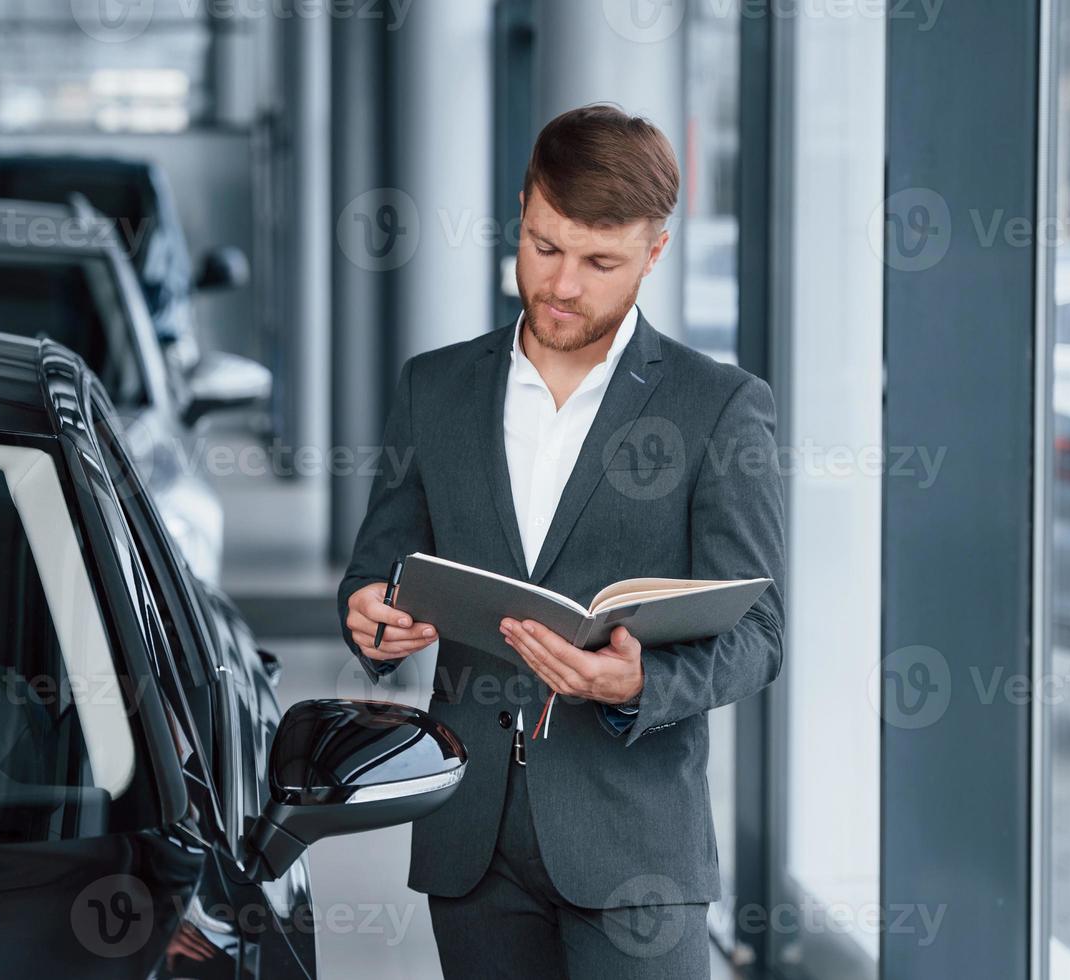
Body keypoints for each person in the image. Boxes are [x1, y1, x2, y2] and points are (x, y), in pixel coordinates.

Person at [337, 103, 786, 980]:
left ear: (654, 253)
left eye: (599, 261)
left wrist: (640, 682)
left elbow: (759, 636)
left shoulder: (718, 407)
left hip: (635, 850)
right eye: (543, 246)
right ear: (522, 211)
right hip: (470, 840)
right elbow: (379, 565)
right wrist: (371, 619)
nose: (562, 284)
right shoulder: (435, 387)